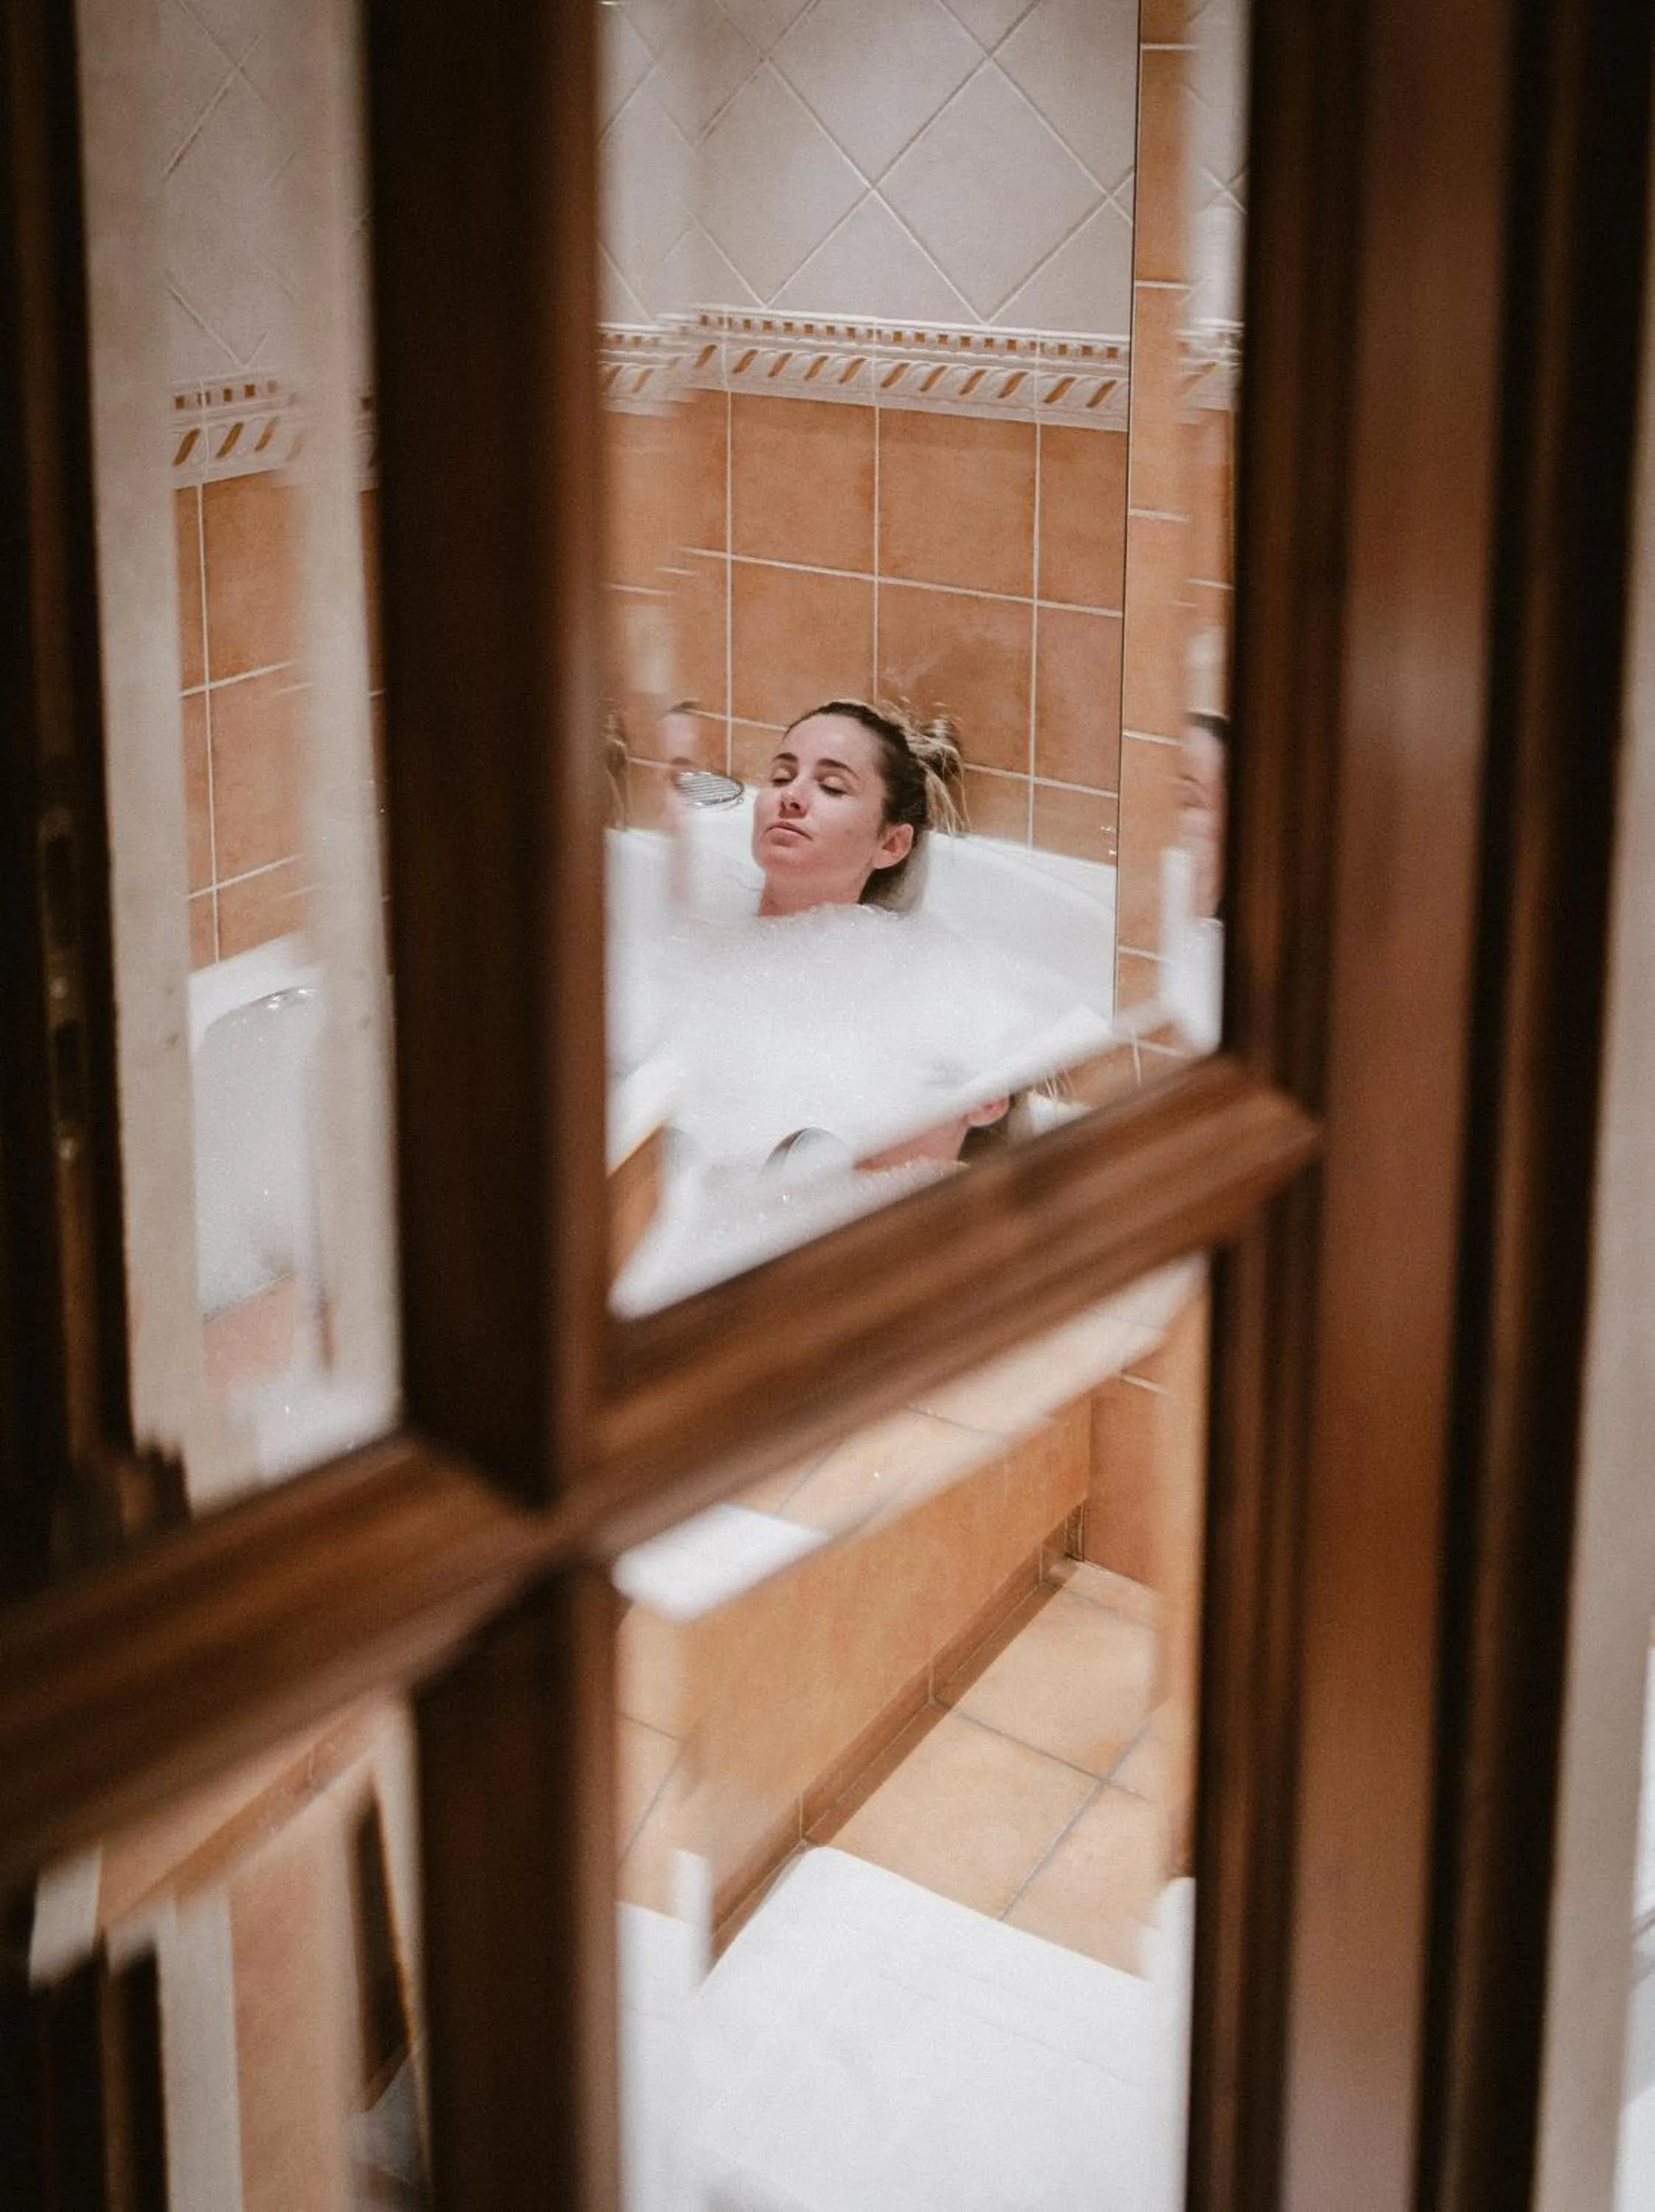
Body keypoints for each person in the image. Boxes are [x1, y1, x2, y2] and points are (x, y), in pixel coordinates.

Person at [752, 699, 964, 917]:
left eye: (831, 787)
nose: (790, 795)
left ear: (891, 844)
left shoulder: (880, 951)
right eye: (781, 778)